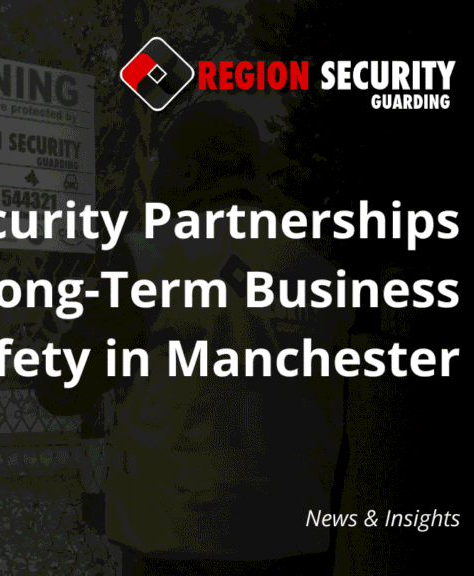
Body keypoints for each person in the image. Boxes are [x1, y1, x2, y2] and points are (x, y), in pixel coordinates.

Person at [32, 99, 354, 575]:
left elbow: (62, 388)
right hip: (294, 541)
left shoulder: (147, 258)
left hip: (175, 541)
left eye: (162, 162)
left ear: (188, 172)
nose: (155, 177)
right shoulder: (319, 272)